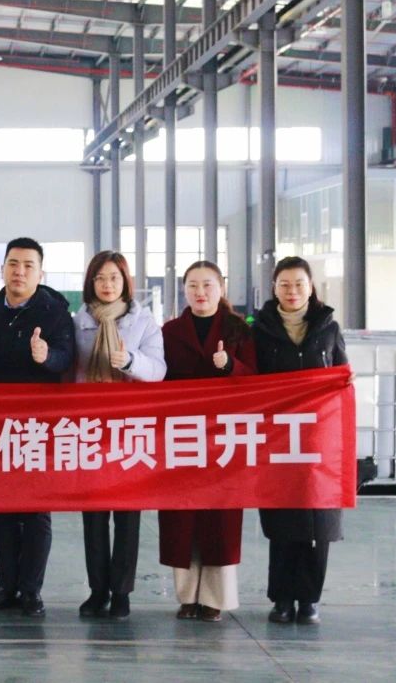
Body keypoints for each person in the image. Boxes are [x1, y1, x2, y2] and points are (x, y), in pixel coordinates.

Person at [0, 237, 74, 618]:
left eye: (28, 265)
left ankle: (31, 590)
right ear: (2, 269)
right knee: (3, 509)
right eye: (13, 264)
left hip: (39, 427)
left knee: (35, 511)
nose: (19, 272)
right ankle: (7, 586)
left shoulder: (54, 313)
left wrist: (47, 356)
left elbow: (66, 357)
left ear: (40, 272)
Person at [252, 256, 348, 626]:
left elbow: (341, 374)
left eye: (299, 284)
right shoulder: (260, 330)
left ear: (311, 288)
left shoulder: (328, 328)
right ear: (274, 288)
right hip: (277, 439)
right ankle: (282, 598)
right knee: (283, 521)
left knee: (317, 522)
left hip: (318, 440)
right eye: (285, 284)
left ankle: (309, 599)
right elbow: (249, 379)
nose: (292, 291)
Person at [159, 260, 255, 623]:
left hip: (225, 437)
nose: (200, 293)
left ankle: (215, 598)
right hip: (181, 436)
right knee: (182, 516)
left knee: (220, 517)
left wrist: (230, 366)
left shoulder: (238, 329)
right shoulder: (170, 331)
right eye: (193, 286)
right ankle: (187, 597)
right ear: (184, 290)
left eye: (207, 285)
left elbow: (256, 378)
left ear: (221, 288)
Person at [72, 251, 166, 620]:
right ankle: (98, 590)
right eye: (100, 278)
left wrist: (129, 362)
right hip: (91, 429)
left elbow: (158, 370)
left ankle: (122, 591)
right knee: (93, 514)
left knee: (128, 514)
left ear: (125, 282)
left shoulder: (144, 322)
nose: (107, 284)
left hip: (130, 429)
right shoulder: (79, 322)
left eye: (113, 277)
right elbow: (68, 372)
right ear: (91, 283)